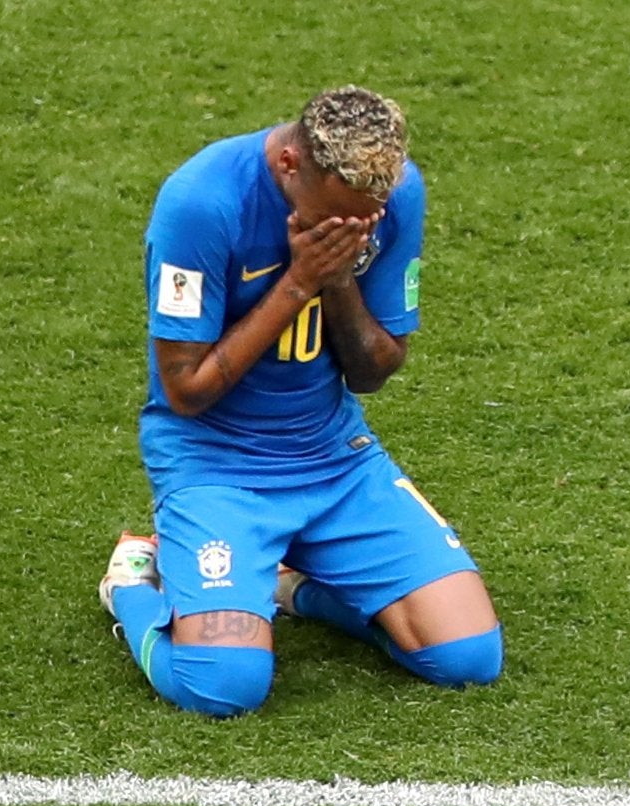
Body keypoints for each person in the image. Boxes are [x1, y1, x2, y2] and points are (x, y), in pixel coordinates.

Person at [98, 86, 503, 717]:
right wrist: (298, 282)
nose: (361, 229)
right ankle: (132, 581)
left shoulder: (389, 196)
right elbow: (186, 390)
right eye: (342, 219)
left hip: (334, 461)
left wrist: (340, 279)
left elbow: (374, 371)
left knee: (467, 657)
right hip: (216, 468)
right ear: (290, 165)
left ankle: (291, 589)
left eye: (370, 218)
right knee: (224, 688)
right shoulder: (201, 203)